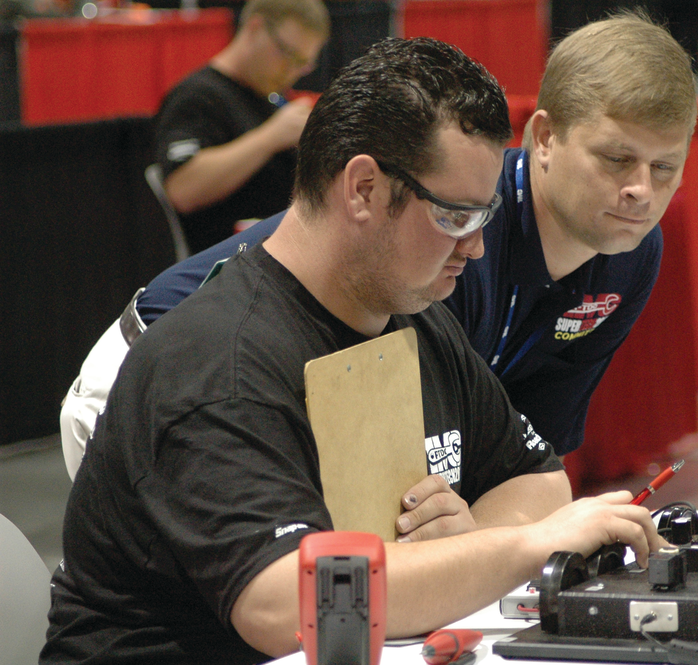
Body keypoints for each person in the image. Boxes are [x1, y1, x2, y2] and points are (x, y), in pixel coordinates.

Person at [42, 37, 662, 664]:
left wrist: (466, 542)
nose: (475, 249)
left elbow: (537, 479)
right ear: (363, 189)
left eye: (485, 217)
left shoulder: (411, 319)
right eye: (455, 217)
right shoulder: (217, 363)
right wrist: (524, 548)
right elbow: (285, 606)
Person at [59, 11, 698, 478]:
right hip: (155, 367)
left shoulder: (634, 258)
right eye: (617, 159)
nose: (641, 190)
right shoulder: (451, 232)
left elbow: (532, 455)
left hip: (283, 399)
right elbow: (397, 471)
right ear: (546, 138)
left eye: (664, 168)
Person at [154, 0, 329, 254]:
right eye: (287, 54)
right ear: (255, 28)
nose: (291, 71)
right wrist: (270, 137)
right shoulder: (197, 96)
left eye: (302, 63)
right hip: (231, 265)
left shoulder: (269, 96)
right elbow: (182, 188)